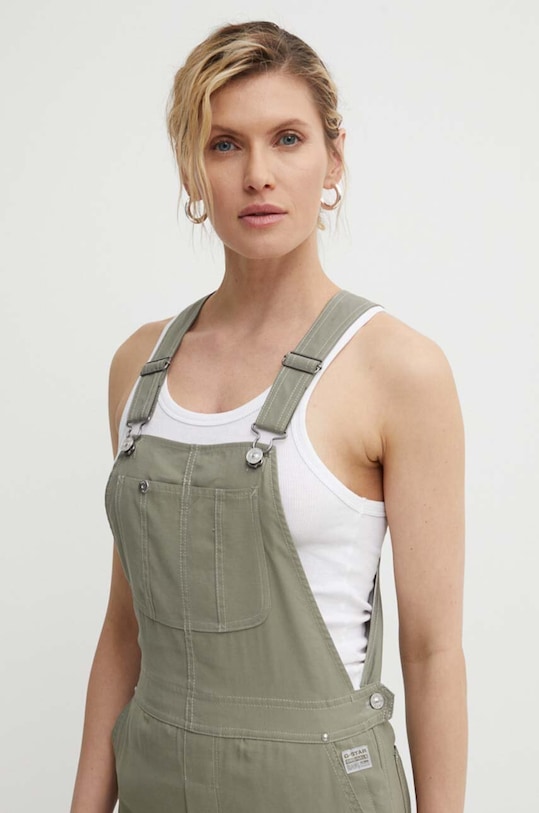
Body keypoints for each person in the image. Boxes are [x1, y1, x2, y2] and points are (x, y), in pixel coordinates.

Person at [70, 20, 467, 813]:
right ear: (191, 168)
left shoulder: (397, 369)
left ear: (333, 158)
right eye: (224, 145)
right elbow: (125, 629)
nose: (258, 175)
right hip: (156, 786)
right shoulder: (139, 369)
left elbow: (431, 651)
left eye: (287, 138)